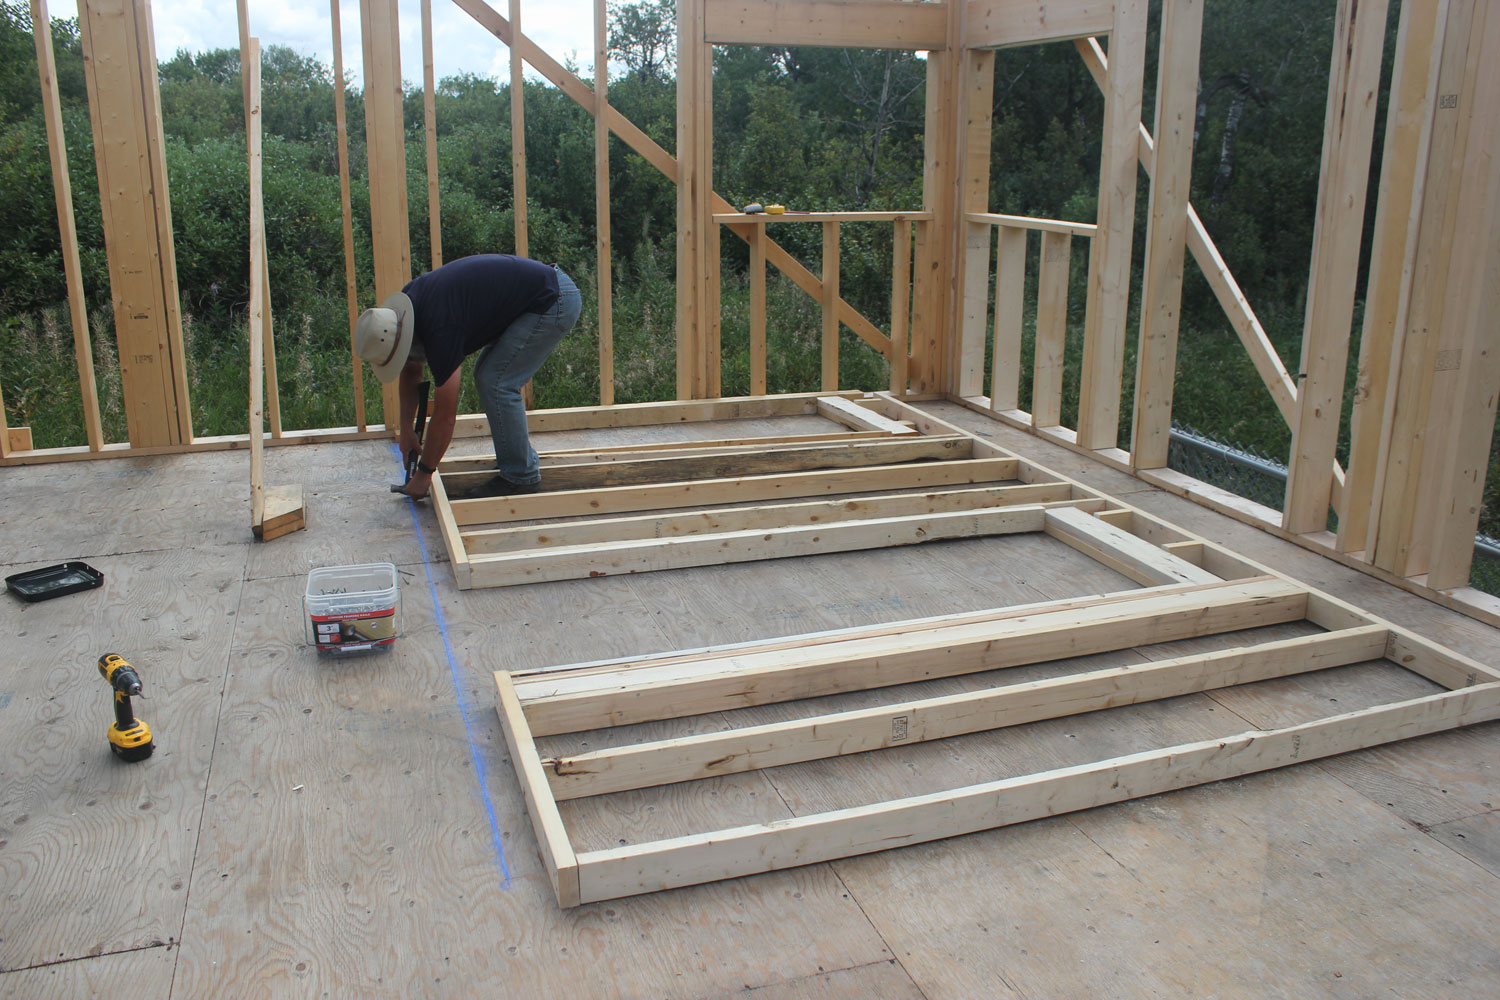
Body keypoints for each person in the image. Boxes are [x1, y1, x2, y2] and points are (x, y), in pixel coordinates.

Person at [354, 254, 582, 500]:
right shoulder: (407, 310)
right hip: (542, 294)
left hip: (554, 301)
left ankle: (521, 475)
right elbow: (411, 370)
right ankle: (517, 460)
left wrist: (424, 474)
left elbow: (446, 415)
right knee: (489, 377)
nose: (404, 360)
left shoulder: (439, 326)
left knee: (496, 382)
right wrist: (407, 429)